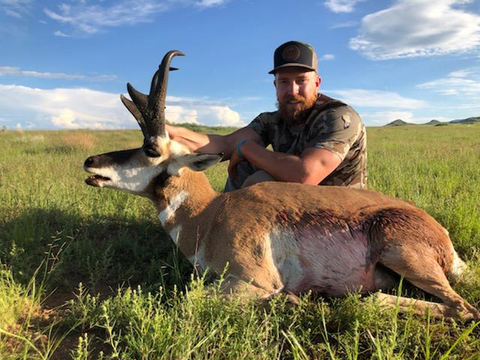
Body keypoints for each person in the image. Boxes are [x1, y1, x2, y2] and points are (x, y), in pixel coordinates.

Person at [166, 40, 367, 191]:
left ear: (317, 83)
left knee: (260, 180)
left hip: (345, 218)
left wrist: (245, 147)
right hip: (303, 205)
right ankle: (221, 228)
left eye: (301, 81)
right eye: (284, 82)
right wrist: (171, 133)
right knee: (244, 166)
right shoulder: (273, 120)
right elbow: (226, 144)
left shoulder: (339, 117)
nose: (293, 90)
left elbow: (304, 175)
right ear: (275, 85)